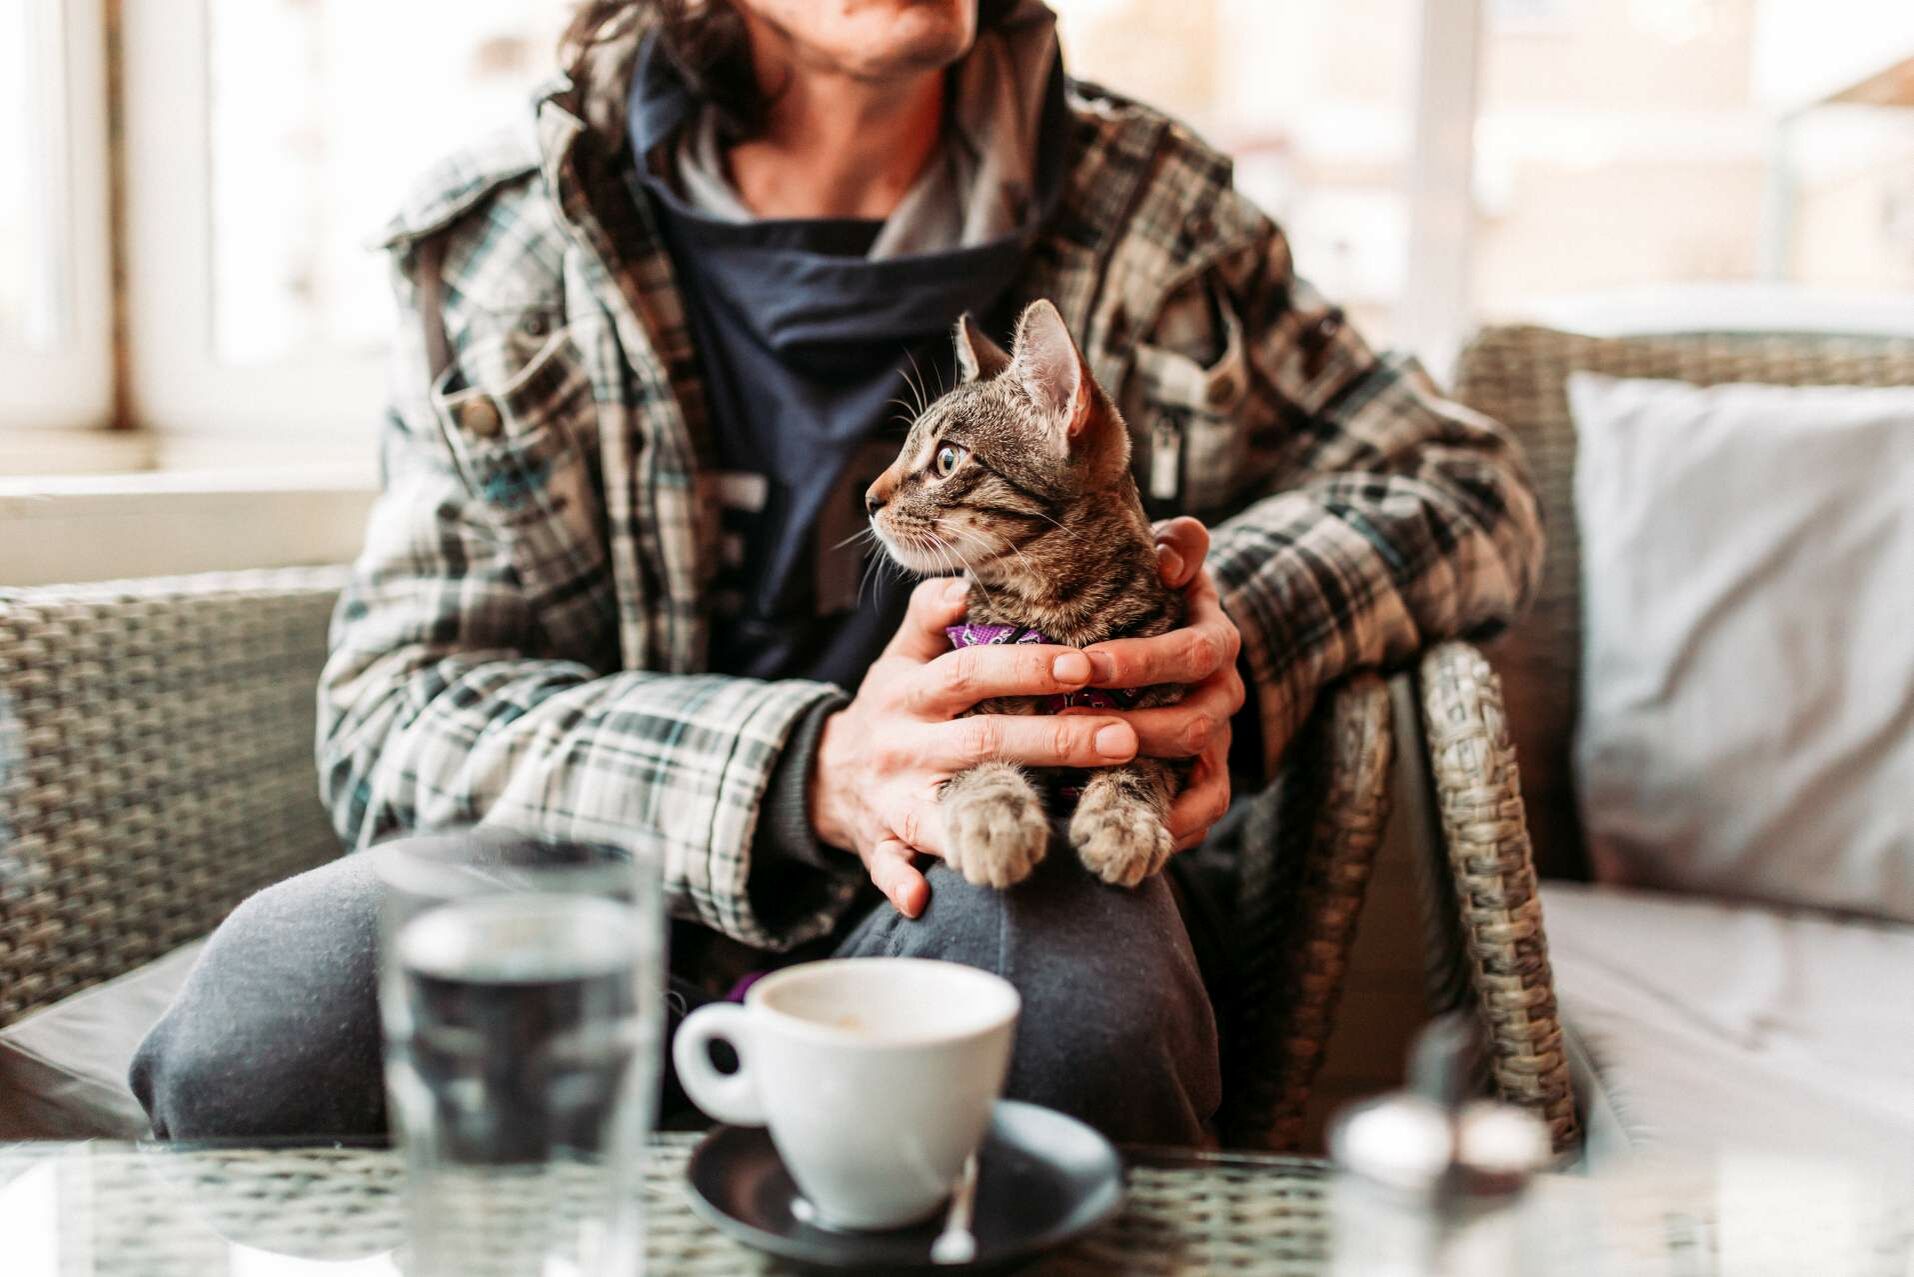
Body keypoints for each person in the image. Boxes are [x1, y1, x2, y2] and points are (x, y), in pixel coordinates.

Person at [131, 0, 1542, 1145]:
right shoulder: (508, 236)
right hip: (605, 874)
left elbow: (1463, 487)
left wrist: (1201, 639)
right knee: (277, 1014)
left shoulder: (1155, 213)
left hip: (1004, 852)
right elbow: (394, 712)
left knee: (1082, 1022)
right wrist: (807, 768)